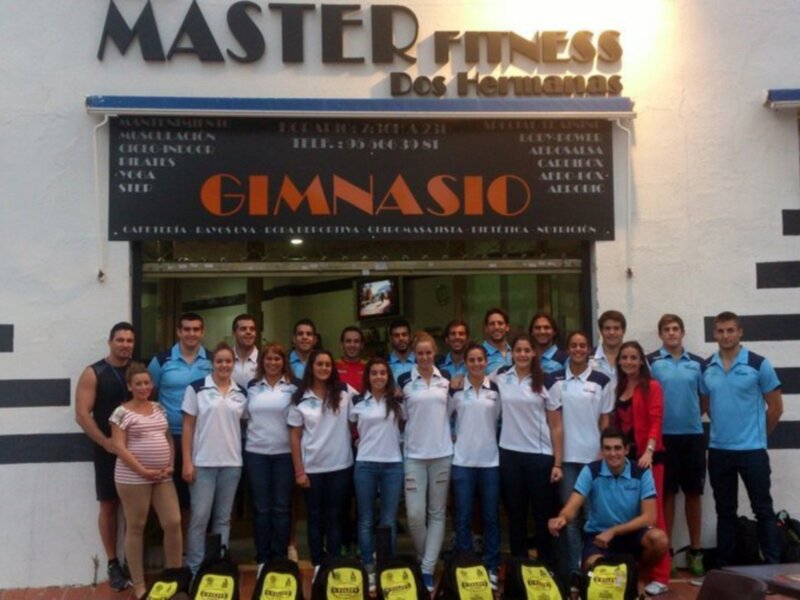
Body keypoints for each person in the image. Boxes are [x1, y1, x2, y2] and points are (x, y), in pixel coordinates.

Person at [700, 311, 783, 566]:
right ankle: (726, 567)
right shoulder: (707, 367)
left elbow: (776, 409)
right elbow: (707, 406)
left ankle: (773, 567)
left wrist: (757, 437)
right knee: (725, 512)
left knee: (763, 511)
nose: (725, 336)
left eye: (730, 330)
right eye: (720, 331)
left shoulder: (759, 364)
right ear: (714, 334)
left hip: (752, 451)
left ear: (740, 332)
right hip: (719, 451)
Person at [549, 428, 669, 579]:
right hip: (598, 536)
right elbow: (572, 506)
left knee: (659, 540)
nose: (613, 454)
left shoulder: (641, 472)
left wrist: (613, 531)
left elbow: (649, 517)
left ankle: (640, 580)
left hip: (632, 534)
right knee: (597, 568)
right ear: (602, 451)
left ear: (626, 449)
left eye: (617, 448)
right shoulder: (591, 470)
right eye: (607, 448)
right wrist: (562, 518)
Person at [110, 363, 182, 599]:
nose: (143, 387)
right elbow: (119, 447)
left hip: (162, 476)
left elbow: (167, 437)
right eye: (138, 383)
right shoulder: (121, 413)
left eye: (147, 383)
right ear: (130, 386)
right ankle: (139, 583)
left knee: (173, 522)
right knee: (136, 526)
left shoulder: (158, 407)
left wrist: (170, 464)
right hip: (133, 478)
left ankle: (174, 576)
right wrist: (142, 470)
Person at [548, 330, 614, 583]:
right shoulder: (555, 380)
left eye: (582, 345)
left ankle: (595, 565)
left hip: (594, 458)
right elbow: (555, 425)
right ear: (568, 348)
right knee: (570, 518)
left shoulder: (601, 380)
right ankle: (576, 567)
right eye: (573, 345)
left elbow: (605, 419)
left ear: (589, 349)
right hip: (567, 459)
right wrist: (557, 460)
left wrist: (604, 451)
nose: (578, 349)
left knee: (593, 516)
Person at [75, 322, 136, 591]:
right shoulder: (94, 372)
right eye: (120, 340)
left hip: (137, 451)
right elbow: (82, 414)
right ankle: (113, 563)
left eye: (130, 341)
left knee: (136, 509)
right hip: (107, 451)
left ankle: (132, 562)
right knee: (109, 505)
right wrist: (106, 442)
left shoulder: (139, 370)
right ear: (110, 341)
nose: (125, 345)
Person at [495, 333, 563, 566]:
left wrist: (557, 463)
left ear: (534, 353)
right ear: (511, 353)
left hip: (540, 456)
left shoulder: (547, 381)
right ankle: (519, 569)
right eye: (518, 350)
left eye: (527, 350)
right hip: (509, 454)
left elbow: (556, 425)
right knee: (516, 514)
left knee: (543, 514)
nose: (522, 355)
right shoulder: (501, 377)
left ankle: (546, 566)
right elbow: (476, 381)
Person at [647, 314, 706, 576]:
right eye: (666, 330)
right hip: (663, 438)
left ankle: (695, 551)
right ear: (660, 334)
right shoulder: (651, 362)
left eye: (675, 329)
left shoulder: (697, 364)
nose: (671, 333)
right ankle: (666, 553)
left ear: (683, 333)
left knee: (694, 493)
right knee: (667, 494)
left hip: (692, 436)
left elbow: (704, 399)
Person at [181, 342, 248, 575]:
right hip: (202, 465)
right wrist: (187, 462)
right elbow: (188, 427)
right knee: (199, 518)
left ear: (233, 364)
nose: (224, 365)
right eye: (219, 361)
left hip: (232, 464)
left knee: (223, 519)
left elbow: (246, 423)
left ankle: (219, 566)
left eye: (228, 361)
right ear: (212, 364)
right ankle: (195, 569)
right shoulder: (196, 388)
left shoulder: (241, 393)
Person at [289, 349, 355, 575]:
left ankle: (334, 563)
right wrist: (299, 471)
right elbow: (295, 437)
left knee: (335, 518)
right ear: (312, 368)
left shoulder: (345, 392)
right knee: (315, 519)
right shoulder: (300, 398)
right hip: (312, 469)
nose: (324, 368)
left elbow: (368, 405)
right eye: (320, 364)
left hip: (340, 467)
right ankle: (318, 565)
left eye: (328, 364)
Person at [398, 331, 453, 591]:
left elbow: (452, 412)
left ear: (435, 353)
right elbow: (400, 415)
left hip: (442, 454)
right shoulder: (404, 380)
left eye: (428, 353)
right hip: (414, 456)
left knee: (437, 513)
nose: (424, 357)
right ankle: (424, 557)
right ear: (414, 355)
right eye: (419, 353)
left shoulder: (448, 380)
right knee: (415, 515)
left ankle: (428, 569)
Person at [615, 341, 670, 596]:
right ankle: (634, 571)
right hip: (626, 462)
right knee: (629, 515)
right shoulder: (619, 387)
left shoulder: (652, 387)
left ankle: (661, 576)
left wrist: (648, 451)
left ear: (641, 361)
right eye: (624, 357)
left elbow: (656, 420)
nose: (628, 361)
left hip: (649, 460)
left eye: (633, 357)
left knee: (654, 517)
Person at [148, 313, 213, 527]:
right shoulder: (161, 360)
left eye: (196, 329)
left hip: (202, 437)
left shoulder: (212, 360)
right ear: (178, 331)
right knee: (172, 493)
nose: (191, 333)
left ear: (202, 332)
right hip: (168, 437)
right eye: (187, 329)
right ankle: (178, 548)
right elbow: (147, 394)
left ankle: (197, 549)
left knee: (200, 494)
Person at [448, 343, 502, 588]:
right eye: (472, 360)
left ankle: (491, 566)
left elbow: (500, 418)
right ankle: (467, 564)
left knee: (491, 517)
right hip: (462, 461)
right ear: (466, 363)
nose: (477, 363)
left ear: (485, 362)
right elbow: (444, 416)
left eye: (480, 359)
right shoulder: (456, 389)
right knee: (463, 517)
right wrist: (451, 435)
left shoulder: (496, 390)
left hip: (490, 461)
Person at [350, 357, 404, 590]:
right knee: (365, 520)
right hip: (365, 465)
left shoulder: (398, 402)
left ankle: (386, 565)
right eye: (374, 373)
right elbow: (350, 427)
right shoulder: (358, 402)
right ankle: (369, 567)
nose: (379, 377)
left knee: (389, 520)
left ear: (388, 376)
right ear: (368, 377)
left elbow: (403, 427)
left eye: (383, 373)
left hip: (393, 465)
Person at [244, 343, 297, 572]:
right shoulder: (252, 388)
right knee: (261, 508)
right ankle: (263, 558)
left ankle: (280, 557)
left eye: (277, 359)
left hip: (285, 454)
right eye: (268, 358)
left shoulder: (294, 389)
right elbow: (245, 417)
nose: (273, 362)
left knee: (282, 508)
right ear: (261, 362)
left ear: (284, 362)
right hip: (257, 454)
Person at [590, 310, 626, 387]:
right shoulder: (587, 358)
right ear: (601, 331)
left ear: (623, 331)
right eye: (607, 328)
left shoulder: (634, 358)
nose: (612, 332)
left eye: (616, 328)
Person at [232, 313, 259, 388]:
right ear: (234, 333)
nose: (248, 332)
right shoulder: (224, 360)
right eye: (243, 329)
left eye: (252, 329)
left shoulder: (265, 360)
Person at [336, 326, 366, 393]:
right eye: (348, 341)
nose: (352, 345)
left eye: (356, 341)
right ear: (342, 345)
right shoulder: (333, 367)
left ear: (362, 345)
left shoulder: (369, 367)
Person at [482, 308, 512, 374]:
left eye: (500, 323)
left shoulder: (515, 352)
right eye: (492, 324)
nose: (496, 327)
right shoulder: (479, 354)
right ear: (486, 328)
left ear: (507, 327)